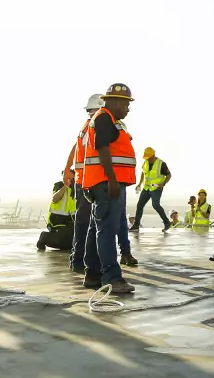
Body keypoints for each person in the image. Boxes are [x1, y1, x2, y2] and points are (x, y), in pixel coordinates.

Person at [81, 83, 138, 293]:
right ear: (115, 102)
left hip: (104, 183)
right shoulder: (105, 118)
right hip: (107, 184)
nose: (128, 109)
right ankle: (113, 278)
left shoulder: (110, 119)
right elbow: (103, 149)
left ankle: (93, 274)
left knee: (98, 230)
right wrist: (112, 180)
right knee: (107, 231)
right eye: (126, 105)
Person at [65, 93, 103, 274]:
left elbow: (76, 147)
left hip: (83, 179)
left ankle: (78, 260)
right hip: (89, 180)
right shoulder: (94, 126)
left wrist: (67, 168)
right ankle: (82, 261)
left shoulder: (86, 126)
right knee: (88, 223)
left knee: (84, 222)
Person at [130, 147, 171, 232]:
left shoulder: (161, 164)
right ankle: (136, 225)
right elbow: (143, 173)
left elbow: (169, 175)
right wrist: (140, 183)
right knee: (139, 205)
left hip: (156, 188)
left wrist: (163, 184)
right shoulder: (146, 162)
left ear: (153, 155)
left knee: (155, 205)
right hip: (147, 187)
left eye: (149, 157)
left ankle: (167, 223)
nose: (147, 159)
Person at [37, 180, 76, 251]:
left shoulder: (78, 187)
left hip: (72, 224)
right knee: (62, 241)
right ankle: (44, 237)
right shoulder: (60, 186)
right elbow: (55, 198)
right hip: (58, 223)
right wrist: (66, 186)